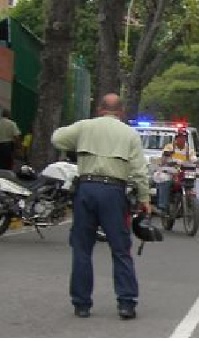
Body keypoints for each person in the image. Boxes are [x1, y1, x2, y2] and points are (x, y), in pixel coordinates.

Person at [51, 93, 151, 320]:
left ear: (99, 109)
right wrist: (145, 199)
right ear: (122, 112)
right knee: (120, 248)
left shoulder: (85, 126)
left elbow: (57, 138)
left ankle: (81, 304)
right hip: (114, 192)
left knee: (82, 248)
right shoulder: (130, 134)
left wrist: (79, 142)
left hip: (86, 190)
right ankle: (126, 303)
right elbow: (139, 171)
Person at [155, 129, 197, 215]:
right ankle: (163, 206)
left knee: (191, 181)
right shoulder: (169, 147)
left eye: (184, 138)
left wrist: (197, 162)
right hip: (169, 171)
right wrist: (169, 159)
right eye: (180, 137)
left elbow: (193, 158)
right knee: (164, 179)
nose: (182, 139)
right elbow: (164, 157)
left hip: (182, 172)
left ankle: (189, 203)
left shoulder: (189, 149)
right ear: (176, 138)